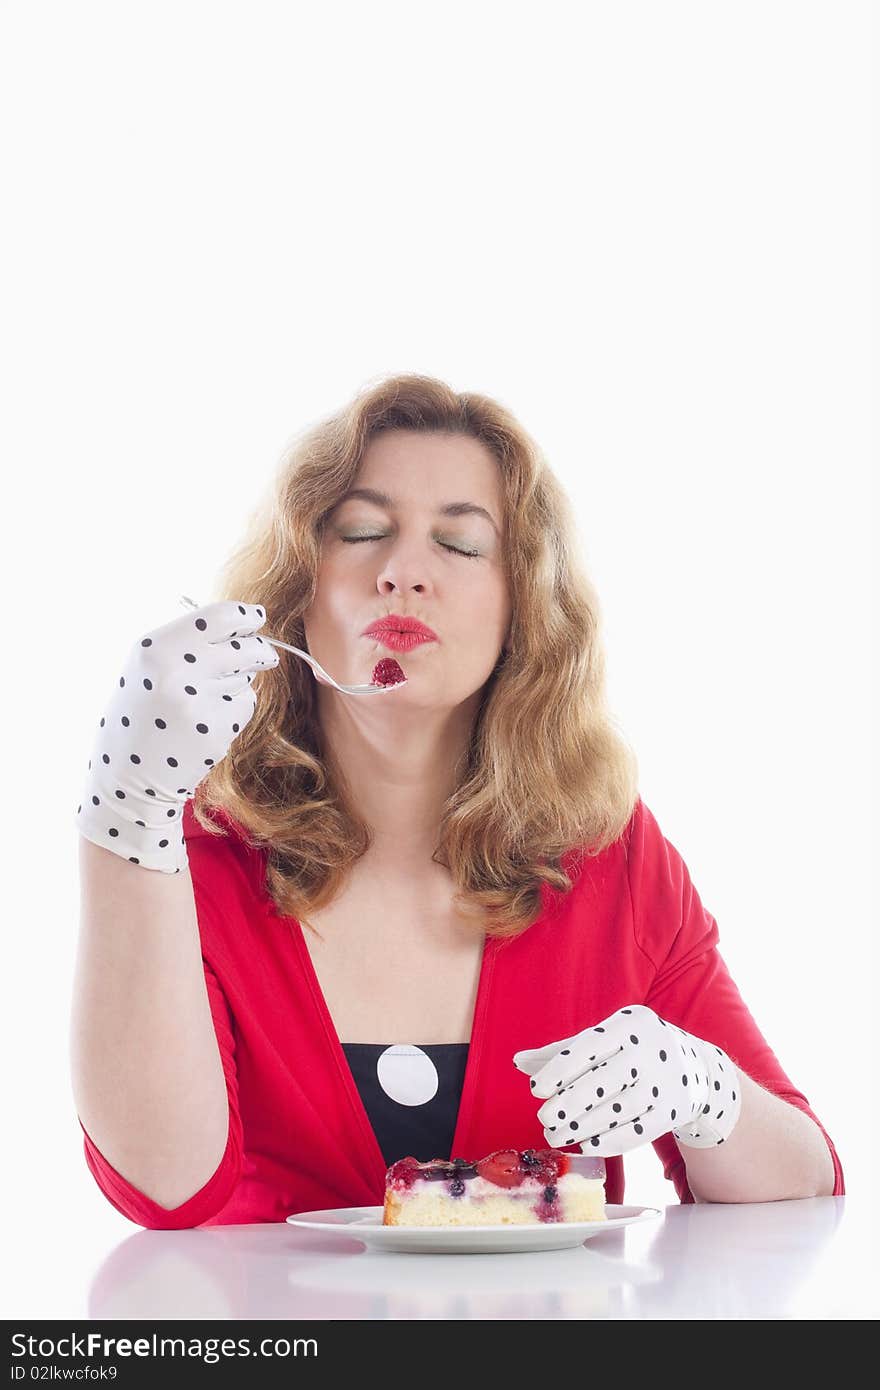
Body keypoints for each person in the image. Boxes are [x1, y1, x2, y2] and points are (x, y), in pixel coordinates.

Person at [71, 374, 843, 1230]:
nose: (403, 573)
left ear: (524, 606)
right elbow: (164, 1187)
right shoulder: (188, 847)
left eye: (462, 546)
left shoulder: (609, 855)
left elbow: (805, 1180)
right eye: (361, 532)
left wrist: (712, 1096)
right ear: (298, 588)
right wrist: (126, 818)